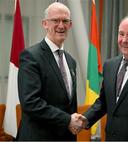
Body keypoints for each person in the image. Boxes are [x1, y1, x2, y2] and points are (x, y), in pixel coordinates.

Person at [16, 2, 83, 141]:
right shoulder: (30, 56)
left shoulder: (71, 61)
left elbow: (69, 104)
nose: (61, 25)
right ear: (45, 24)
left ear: (70, 25)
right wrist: (67, 120)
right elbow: (30, 102)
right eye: (55, 20)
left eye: (65, 21)